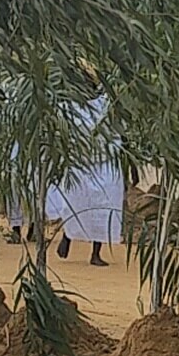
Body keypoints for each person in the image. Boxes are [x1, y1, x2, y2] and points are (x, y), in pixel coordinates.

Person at [45, 92, 122, 267]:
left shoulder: (106, 106)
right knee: (75, 204)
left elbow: (117, 133)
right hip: (80, 164)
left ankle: (96, 253)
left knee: (104, 207)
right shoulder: (70, 108)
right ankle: (68, 235)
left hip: (104, 164)